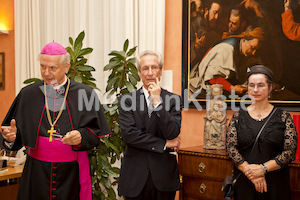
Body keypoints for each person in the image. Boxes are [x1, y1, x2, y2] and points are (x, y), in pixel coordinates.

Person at [0, 42, 111, 200]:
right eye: (43, 66)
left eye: (52, 68)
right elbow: (14, 136)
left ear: (66, 67)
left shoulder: (85, 94)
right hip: (36, 172)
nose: (46, 72)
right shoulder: (28, 94)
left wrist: (81, 136)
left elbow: (96, 133)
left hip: (71, 173)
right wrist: (9, 138)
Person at [226, 65, 297, 200]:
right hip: (245, 183)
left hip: (275, 184)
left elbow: (289, 152)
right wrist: (252, 173)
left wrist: (263, 169)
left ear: (270, 88)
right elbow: (230, 149)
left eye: (261, 85)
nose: (255, 90)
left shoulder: (283, 117)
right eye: (251, 85)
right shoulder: (238, 117)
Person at [118, 50, 182, 200]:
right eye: (145, 68)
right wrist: (164, 144)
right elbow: (130, 136)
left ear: (160, 71)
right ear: (139, 73)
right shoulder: (127, 100)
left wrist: (157, 102)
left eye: (154, 67)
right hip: (135, 177)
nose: (150, 72)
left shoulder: (174, 100)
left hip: (163, 178)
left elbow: (172, 132)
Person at [189, 26, 264, 97]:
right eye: (252, 48)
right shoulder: (227, 49)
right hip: (197, 91)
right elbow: (212, 78)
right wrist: (232, 88)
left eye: (255, 50)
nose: (253, 53)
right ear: (244, 40)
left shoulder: (241, 50)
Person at [190, 0, 223, 66]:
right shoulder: (195, 24)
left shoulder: (216, 32)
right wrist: (196, 46)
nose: (216, 17)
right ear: (206, 11)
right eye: (215, 13)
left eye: (219, 14)